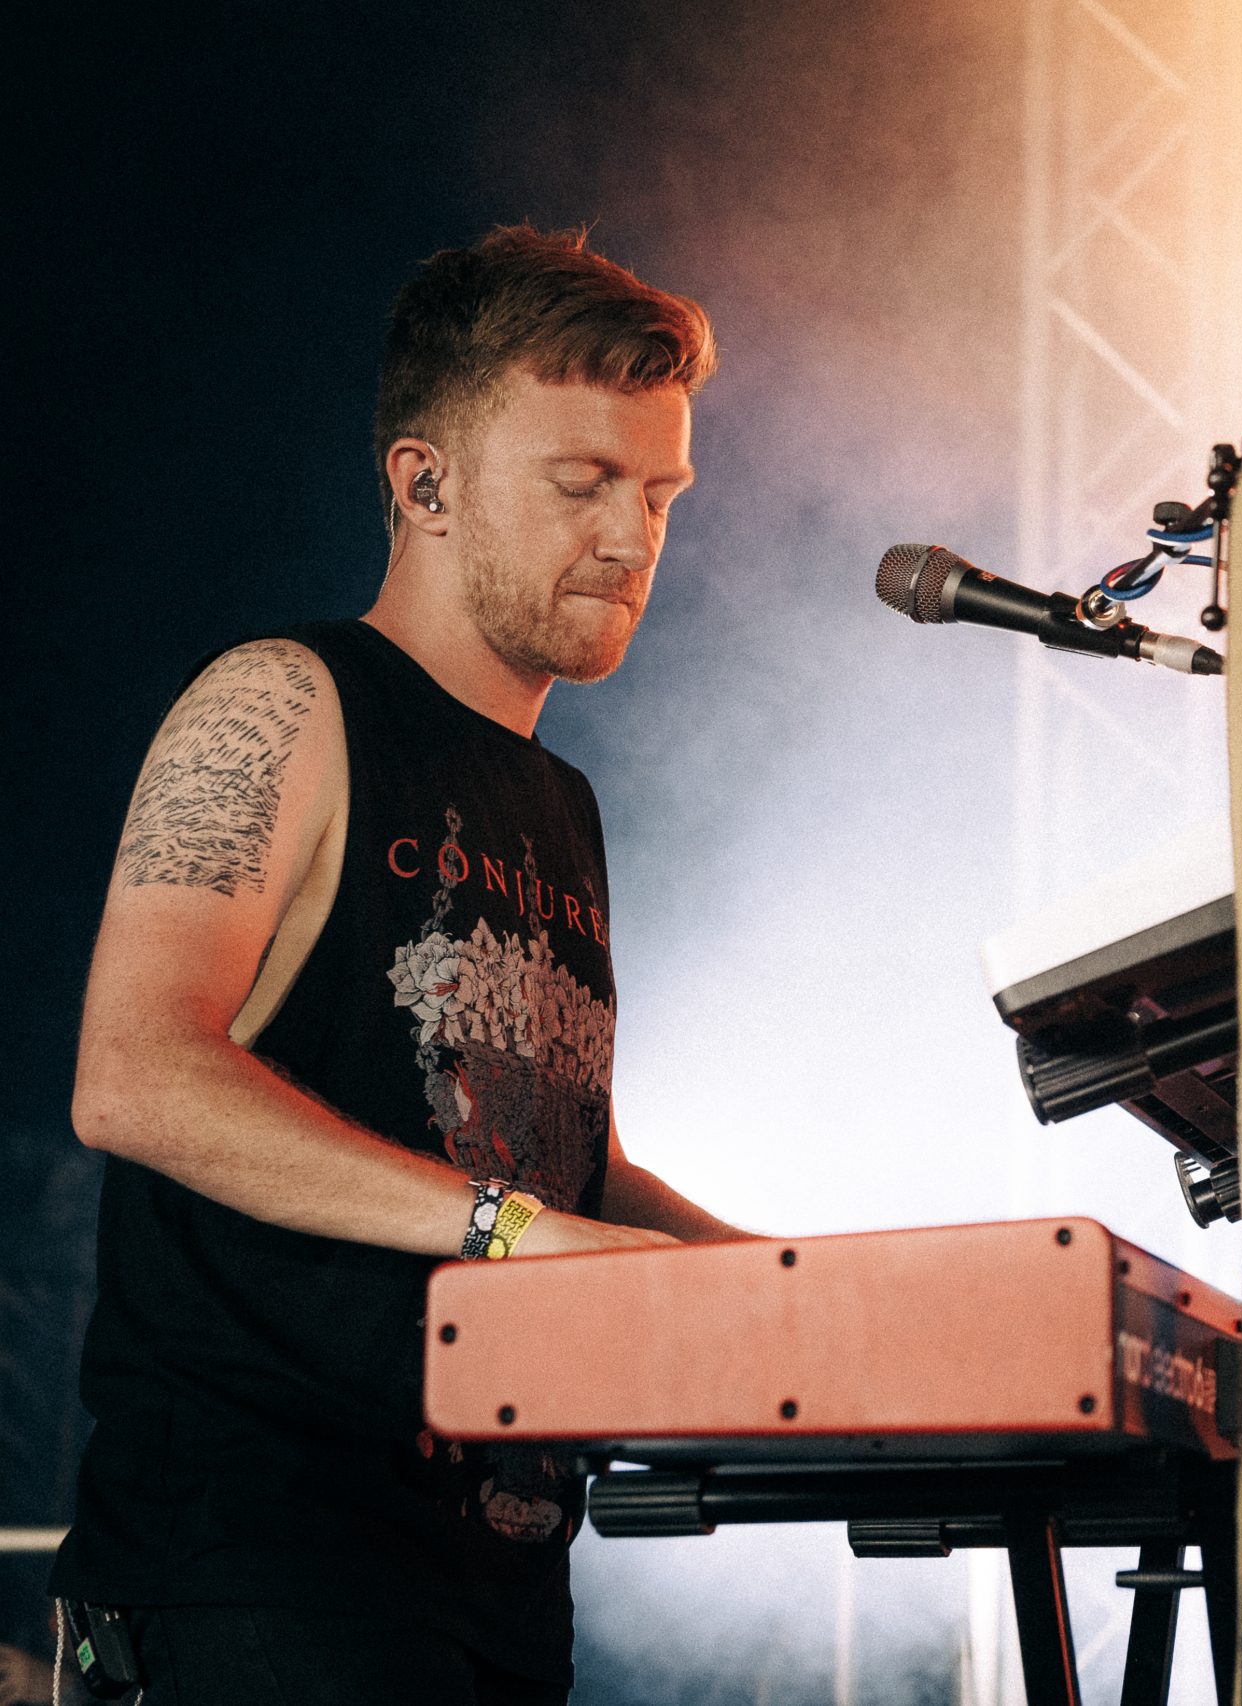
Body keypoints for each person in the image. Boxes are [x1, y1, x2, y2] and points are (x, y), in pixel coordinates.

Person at [50, 225, 741, 1705]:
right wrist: (508, 1231)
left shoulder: (565, 806)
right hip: (256, 1574)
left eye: (658, 493)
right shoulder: (282, 701)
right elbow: (133, 1075)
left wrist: (809, 1290)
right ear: (424, 484)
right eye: (582, 482)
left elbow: (576, 1169)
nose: (633, 540)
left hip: (497, 1586)